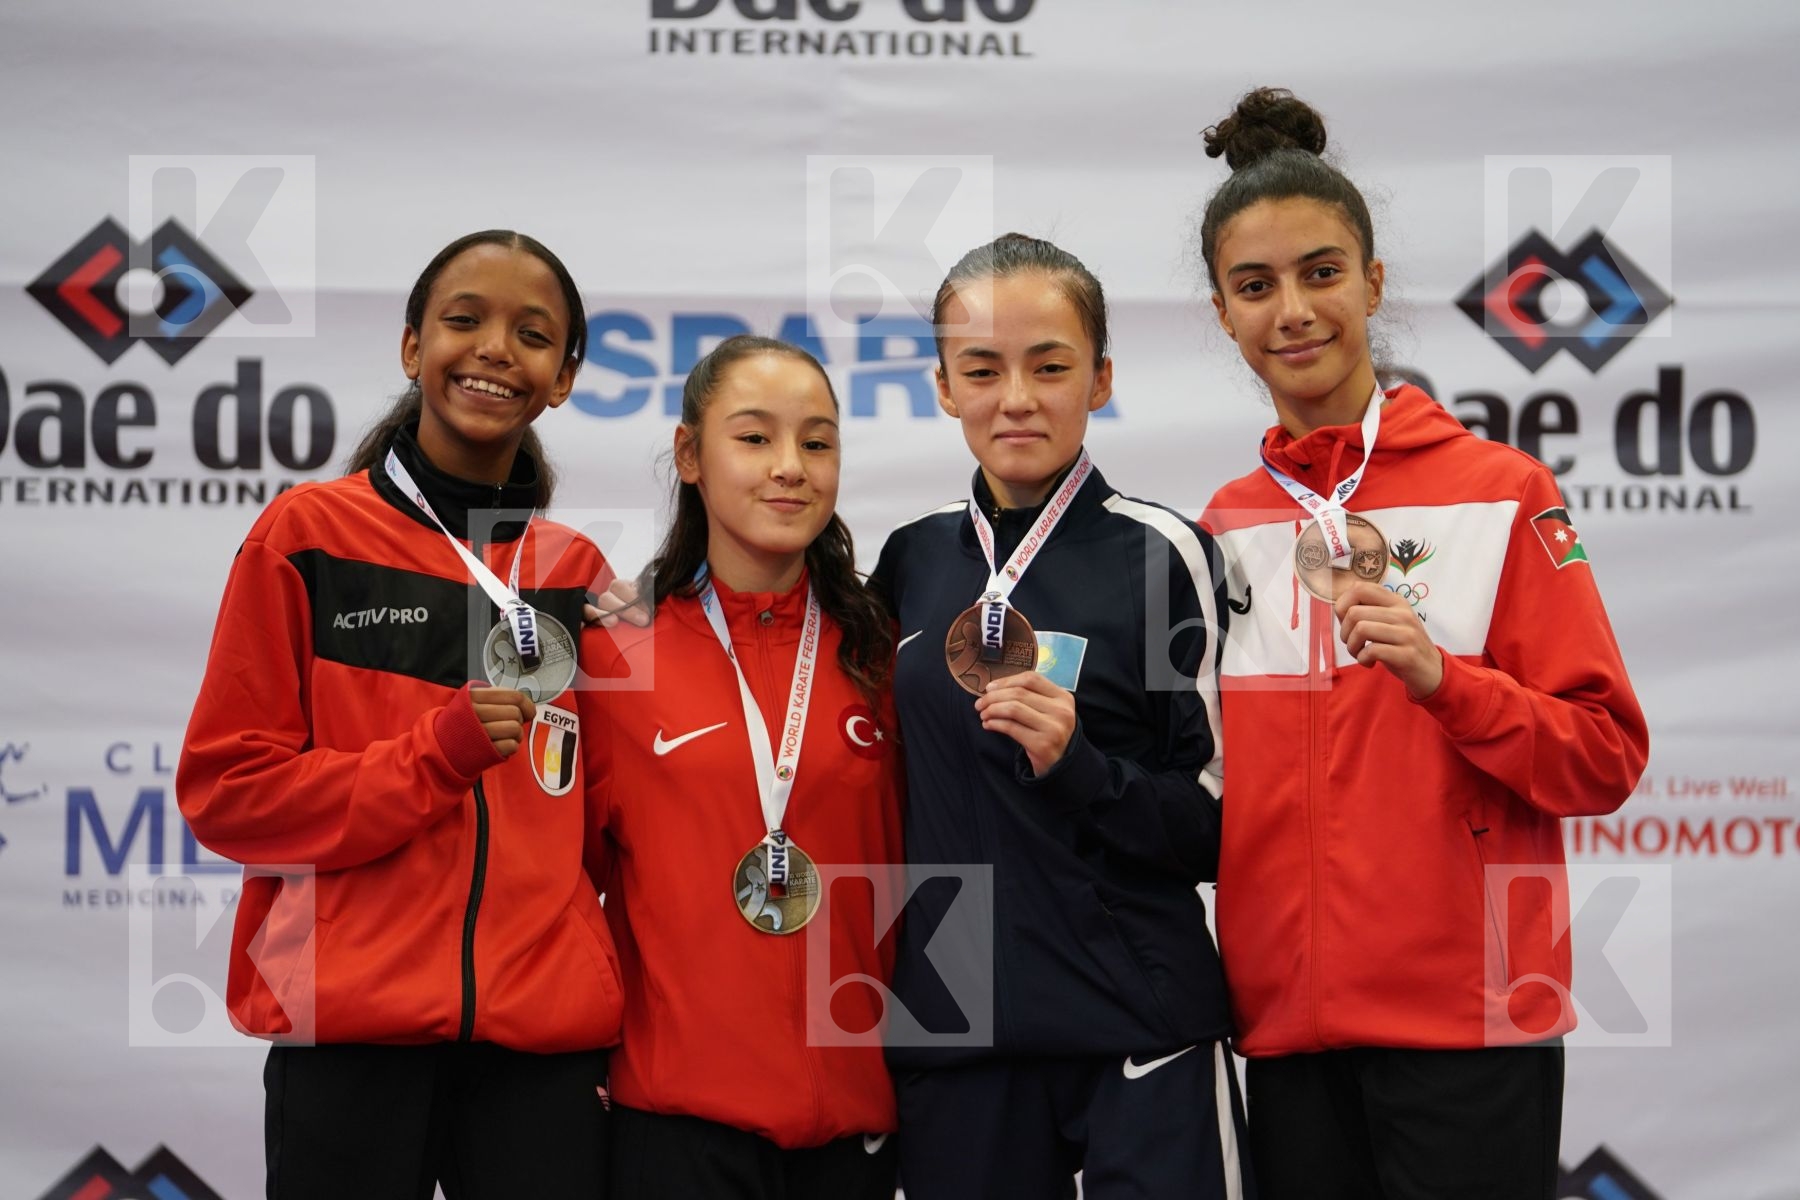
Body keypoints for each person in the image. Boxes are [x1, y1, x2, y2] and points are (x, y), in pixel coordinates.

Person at [1195, 89, 1650, 1200]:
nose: (1293, 311)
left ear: (1373, 284)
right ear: (1222, 314)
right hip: (1288, 1032)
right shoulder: (1222, 524)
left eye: (1321, 273)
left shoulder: (1502, 490)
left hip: (1471, 1024)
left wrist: (1448, 682)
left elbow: (1603, 755)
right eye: (1255, 287)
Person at [178, 230, 622, 1200]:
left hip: (539, 1052)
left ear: (564, 378)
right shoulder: (307, 536)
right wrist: (435, 756)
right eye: (465, 321)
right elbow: (229, 793)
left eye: (532, 335)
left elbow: (616, 825)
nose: (497, 349)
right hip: (349, 1038)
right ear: (413, 348)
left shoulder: (575, 576)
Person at [871, 233, 1250, 1199]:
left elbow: (1221, 829)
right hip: (956, 1020)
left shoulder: (1165, 556)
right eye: (983, 370)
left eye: (1050, 366)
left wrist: (1082, 764)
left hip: (1136, 1016)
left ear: (1102, 376)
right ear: (946, 386)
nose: (1018, 398)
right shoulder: (909, 563)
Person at [584, 334, 904, 1199]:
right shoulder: (615, 652)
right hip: (673, 1135)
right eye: (755, 438)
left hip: (857, 1136)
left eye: (818, 440)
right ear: (690, 454)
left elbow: (933, 878)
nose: (790, 468)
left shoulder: (883, 652)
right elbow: (567, 888)